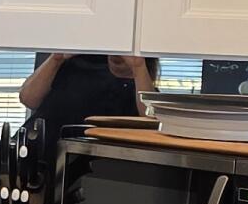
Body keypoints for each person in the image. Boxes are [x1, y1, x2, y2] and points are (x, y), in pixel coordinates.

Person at [19, 52, 156, 146]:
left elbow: (152, 118)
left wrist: (138, 66)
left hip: (89, 171)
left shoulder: (141, 88)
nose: (118, 57)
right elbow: (28, 99)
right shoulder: (74, 65)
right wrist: (56, 58)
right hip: (34, 157)